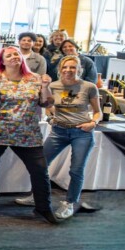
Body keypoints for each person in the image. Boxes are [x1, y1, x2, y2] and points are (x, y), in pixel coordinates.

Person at [0, 47, 59, 223]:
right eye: (9, 55)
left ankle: (43, 207)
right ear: (2, 61)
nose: (14, 57)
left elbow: (46, 103)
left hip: (26, 133)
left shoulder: (34, 78)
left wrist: (45, 87)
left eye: (16, 54)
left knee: (40, 170)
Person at [14, 55, 102, 220]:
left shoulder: (89, 87)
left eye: (72, 67)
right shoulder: (53, 86)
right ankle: (37, 196)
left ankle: (70, 203)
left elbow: (98, 112)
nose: (68, 70)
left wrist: (93, 122)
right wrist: (50, 116)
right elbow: (48, 106)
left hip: (81, 133)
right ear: (60, 69)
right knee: (39, 165)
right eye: (65, 67)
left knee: (76, 170)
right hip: (58, 132)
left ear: (79, 69)